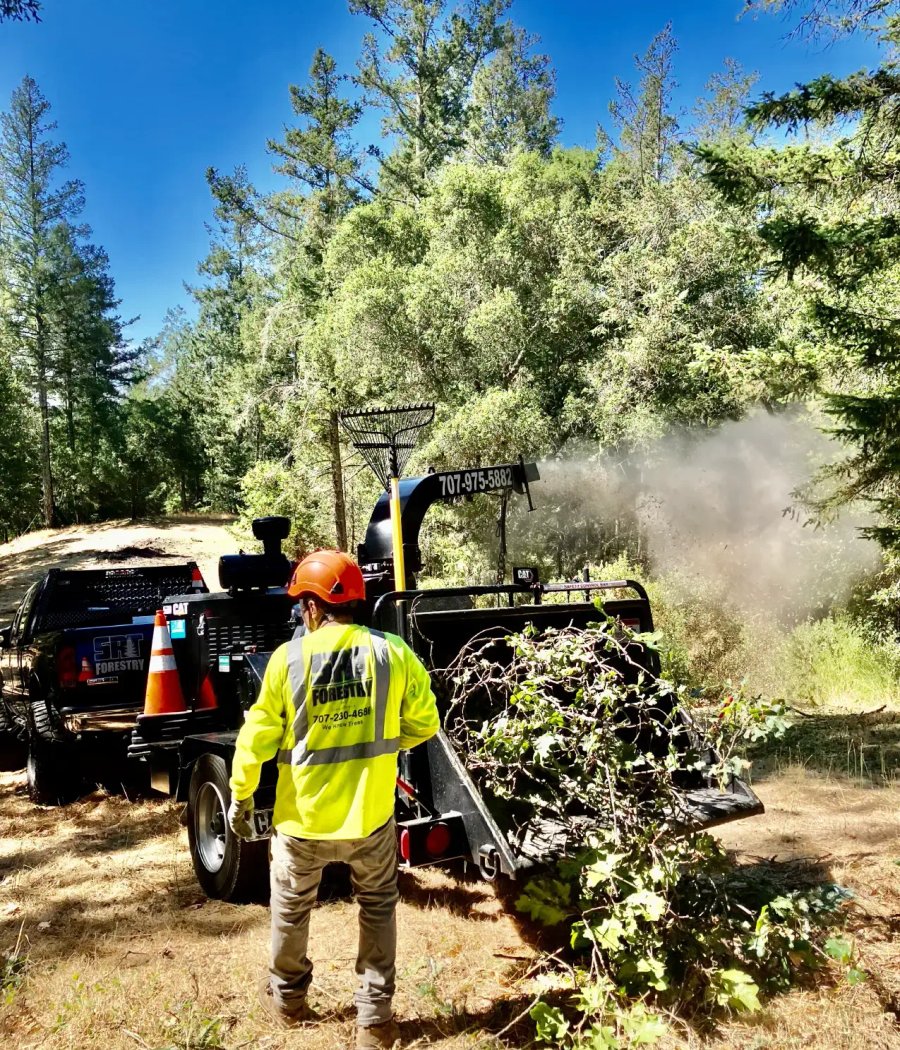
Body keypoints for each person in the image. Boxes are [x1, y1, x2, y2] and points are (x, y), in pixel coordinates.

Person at [227, 549, 440, 1049]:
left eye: (304, 603)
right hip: (370, 818)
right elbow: (426, 721)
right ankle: (374, 1022)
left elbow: (255, 739)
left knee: (290, 910)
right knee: (378, 908)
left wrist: (240, 799)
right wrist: (386, 741)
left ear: (314, 608)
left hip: (302, 822)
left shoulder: (288, 660)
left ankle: (289, 1003)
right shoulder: (392, 652)